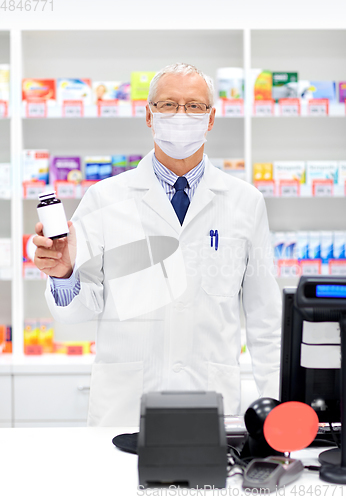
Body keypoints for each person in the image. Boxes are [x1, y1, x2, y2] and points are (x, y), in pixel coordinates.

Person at [33, 63, 282, 426]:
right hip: (125, 410)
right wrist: (64, 275)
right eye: (167, 105)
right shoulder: (104, 199)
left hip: (210, 406)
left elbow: (266, 318)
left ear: (210, 119)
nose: (181, 115)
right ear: (149, 116)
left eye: (194, 106)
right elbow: (81, 308)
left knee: (211, 484)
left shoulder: (245, 202)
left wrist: (278, 411)